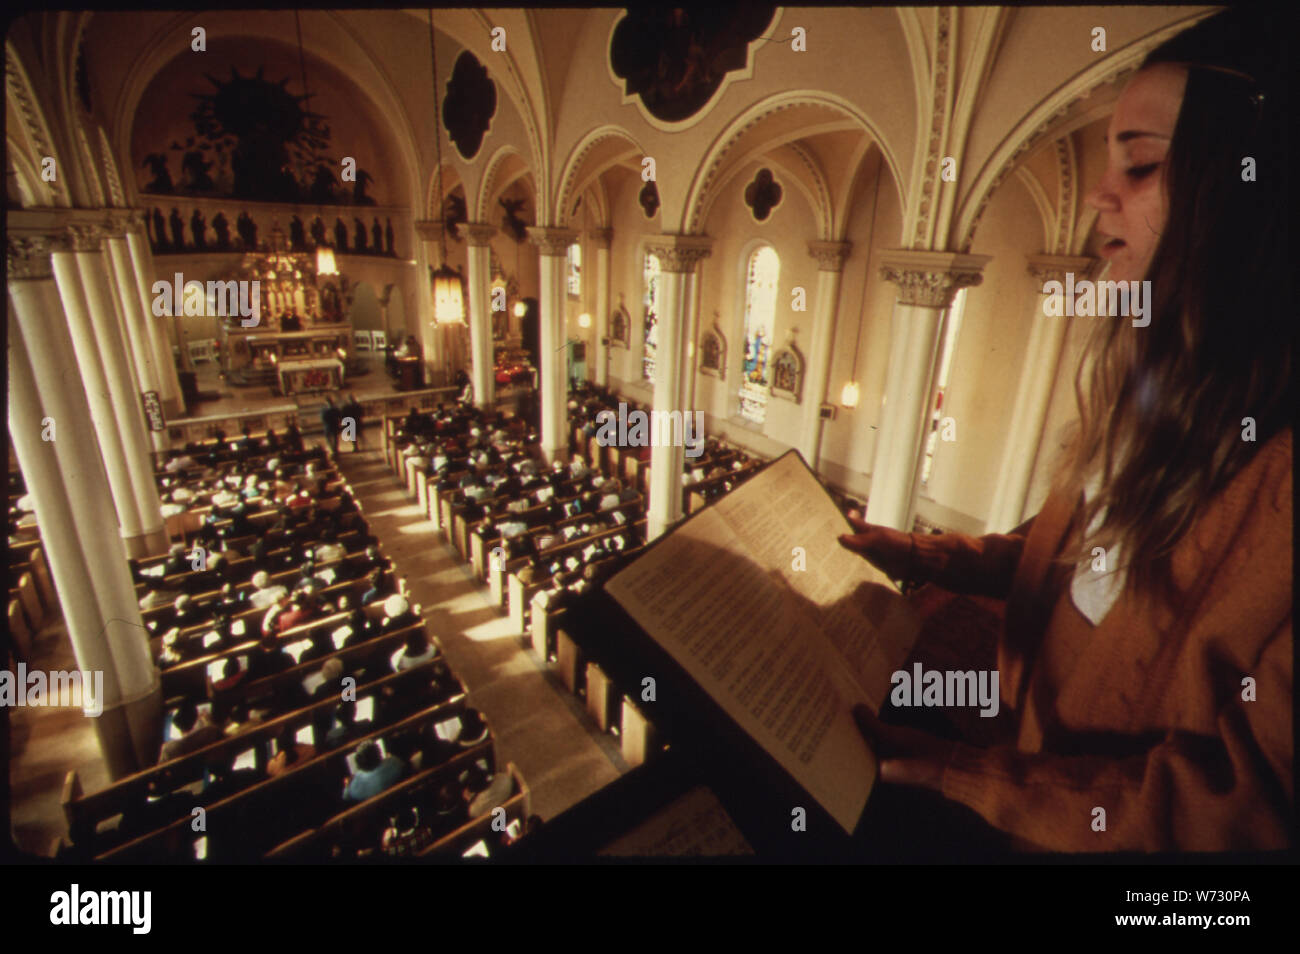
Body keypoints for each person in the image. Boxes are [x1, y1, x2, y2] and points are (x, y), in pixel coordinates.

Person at [839, 8, 1290, 853]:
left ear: (1246, 193)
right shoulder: (1153, 392)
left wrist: (958, 774)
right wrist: (925, 554)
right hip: (1025, 783)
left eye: (1144, 165)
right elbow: (1082, 568)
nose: (1098, 197)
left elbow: (1243, 811)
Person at [159, 699, 223, 763]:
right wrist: (206, 720)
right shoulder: (210, 731)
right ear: (195, 721)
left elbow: (161, 767)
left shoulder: (168, 749)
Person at [342, 741, 407, 803]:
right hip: (400, 802)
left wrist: (348, 785)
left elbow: (345, 797)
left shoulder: (355, 786)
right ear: (379, 754)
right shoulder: (394, 763)